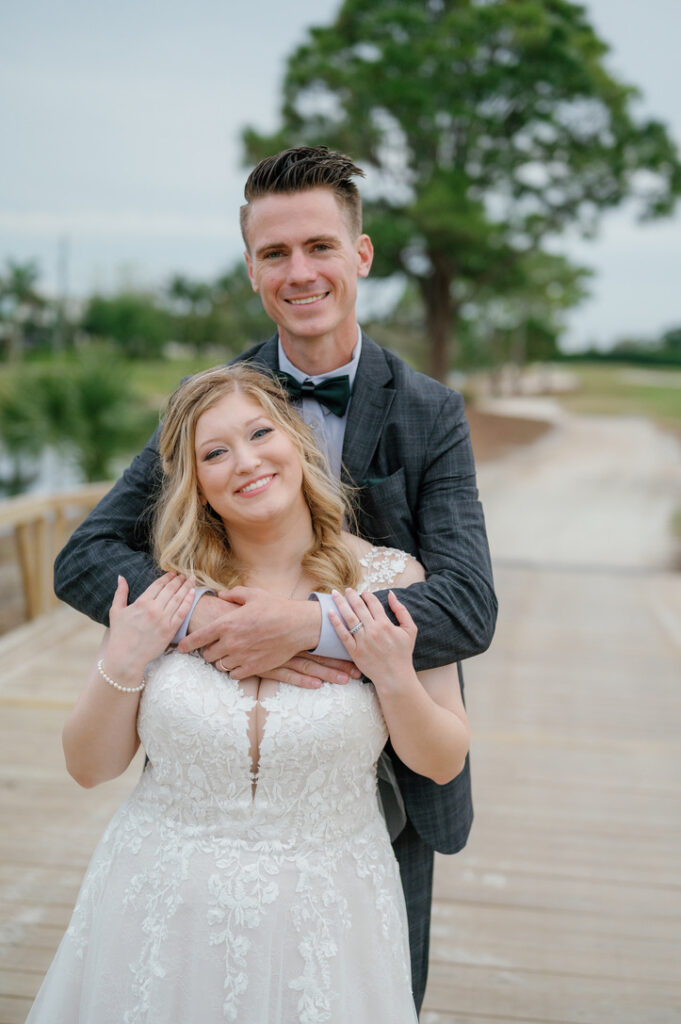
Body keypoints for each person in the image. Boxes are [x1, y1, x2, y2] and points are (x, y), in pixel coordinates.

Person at [53, 145, 497, 1012]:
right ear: (252, 269)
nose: (300, 272)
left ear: (358, 255)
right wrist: (213, 623)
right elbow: (88, 555)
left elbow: (467, 604)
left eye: (319, 247)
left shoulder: (429, 413)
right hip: (213, 779)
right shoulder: (213, 405)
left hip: (379, 783)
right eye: (275, 254)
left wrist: (308, 626)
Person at [29, 365, 470, 1023]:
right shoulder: (166, 592)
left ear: (297, 442)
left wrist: (392, 674)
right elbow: (88, 767)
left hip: (328, 919)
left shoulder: (392, 579)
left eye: (261, 433)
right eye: (214, 452)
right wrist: (124, 657)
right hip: (156, 912)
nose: (246, 461)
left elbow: (442, 759)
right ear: (196, 485)